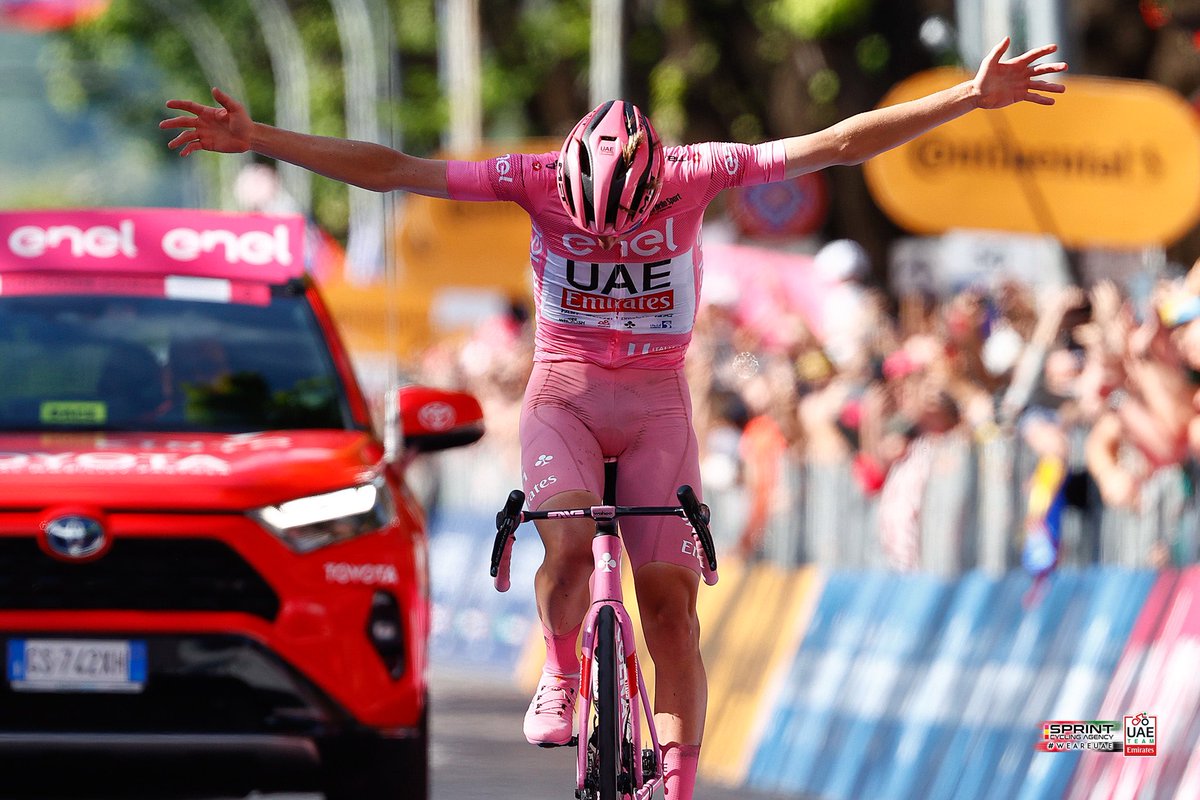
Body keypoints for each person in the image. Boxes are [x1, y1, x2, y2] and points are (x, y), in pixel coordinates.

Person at [160, 37, 1066, 799]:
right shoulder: (532, 179)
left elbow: (835, 142)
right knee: (561, 545)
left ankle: (674, 776)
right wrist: (263, 140)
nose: (600, 246)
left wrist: (969, 96)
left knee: (670, 608)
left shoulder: (698, 172)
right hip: (564, 398)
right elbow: (394, 169)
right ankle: (560, 672)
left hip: (658, 406)